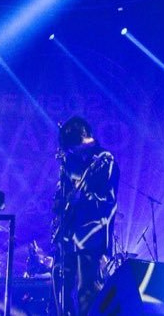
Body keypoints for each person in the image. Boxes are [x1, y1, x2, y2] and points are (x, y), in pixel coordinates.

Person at [51, 116, 119, 315]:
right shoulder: (70, 162)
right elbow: (61, 198)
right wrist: (61, 201)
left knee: (86, 291)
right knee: (60, 282)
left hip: (91, 235)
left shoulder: (104, 159)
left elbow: (107, 200)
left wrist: (82, 198)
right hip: (68, 236)